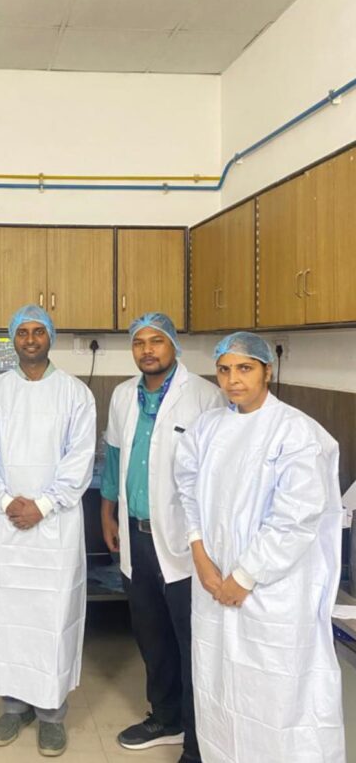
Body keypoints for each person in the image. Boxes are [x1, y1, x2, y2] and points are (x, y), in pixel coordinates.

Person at [175, 332, 346, 763]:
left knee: (274, 697)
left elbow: (296, 518)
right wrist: (200, 554)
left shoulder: (297, 432)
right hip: (213, 584)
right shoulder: (207, 428)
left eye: (245, 368)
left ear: (267, 371)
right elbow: (187, 491)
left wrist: (246, 576)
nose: (233, 380)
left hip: (273, 594)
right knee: (218, 690)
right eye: (224, 370)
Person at [100, 313, 224, 763]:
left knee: (190, 640)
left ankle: (198, 739)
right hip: (137, 537)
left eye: (156, 341)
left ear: (173, 345)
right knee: (150, 634)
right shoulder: (122, 395)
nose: (147, 350)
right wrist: (107, 511)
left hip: (187, 543)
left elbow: (217, 472)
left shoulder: (206, 397)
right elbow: (114, 456)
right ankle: (166, 717)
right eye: (139, 343)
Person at [0, 304, 96, 758]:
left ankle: (51, 714)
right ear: (13, 339)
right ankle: (13, 707)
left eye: (38, 331)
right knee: (7, 617)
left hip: (55, 528)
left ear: (50, 337)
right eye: (23, 332)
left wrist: (42, 505)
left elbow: (79, 462)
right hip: (5, 525)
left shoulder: (75, 394)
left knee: (52, 618)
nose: (30, 339)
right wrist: (8, 502)